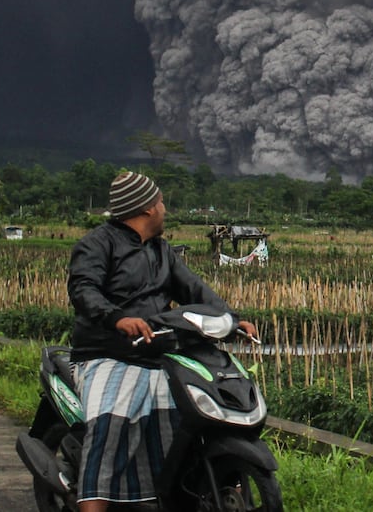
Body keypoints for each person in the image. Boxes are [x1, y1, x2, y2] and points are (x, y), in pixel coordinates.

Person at [68, 171, 259, 511]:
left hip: (158, 350)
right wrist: (117, 318)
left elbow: (194, 289)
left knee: (184, 417)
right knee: (110, 423)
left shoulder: (162, 251)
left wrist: (232, 318)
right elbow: (84, 289)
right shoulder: (97, 244)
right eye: (159, 202)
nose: (164, 207)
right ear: (145, 210)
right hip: (107, 352)